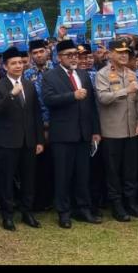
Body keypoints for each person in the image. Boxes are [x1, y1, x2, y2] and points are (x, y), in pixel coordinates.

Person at [42, 39, 102, 228]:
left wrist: (95, 130)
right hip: (63, 135)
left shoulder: (84, 75)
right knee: (63, 175)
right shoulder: (50, 76)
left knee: (83, 174)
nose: (74, 58)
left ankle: (83, 209)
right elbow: (48, 99)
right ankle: (64, 212)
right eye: (69, 55)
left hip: (84, 134)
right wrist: (72, 96)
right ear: (59, 57)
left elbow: (92, 105)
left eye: (76, 54)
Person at [0, 47, 45, 230]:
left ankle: (27, 212)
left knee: (29, 179)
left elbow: (36, 114)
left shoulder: (29, 85)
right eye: (13, 63)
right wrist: (11, 96)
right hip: (8, 142)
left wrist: (39, 140)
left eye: (20, 62)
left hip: (28, 141)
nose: (18, 66)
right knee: (6, 180)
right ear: (5, 67)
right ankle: (7, 216)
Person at [94, 39, 138, 221]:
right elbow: (103, 98)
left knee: (131, 170)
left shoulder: (132, 74)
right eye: (120, 52)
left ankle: (131, 202)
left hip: (131, 129)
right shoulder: (102, 74)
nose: (124, 55)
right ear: (110, 54)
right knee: (113, 171)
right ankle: (117, 205)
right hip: (112, 131)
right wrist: (125, 90)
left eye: (126, 52)